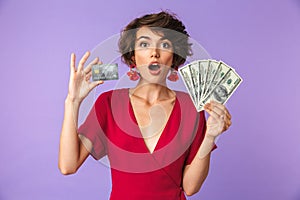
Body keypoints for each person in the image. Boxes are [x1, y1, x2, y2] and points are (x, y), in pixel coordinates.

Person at [59, 11, 232, 200]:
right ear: (133, 57)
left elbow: (190, 187)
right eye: (144, 44)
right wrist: (72, 101)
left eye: (164, 45)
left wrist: (209, 136)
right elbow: (68, 165)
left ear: (174, 57)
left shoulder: (191, 108)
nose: (154, 53)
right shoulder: (108, 103)